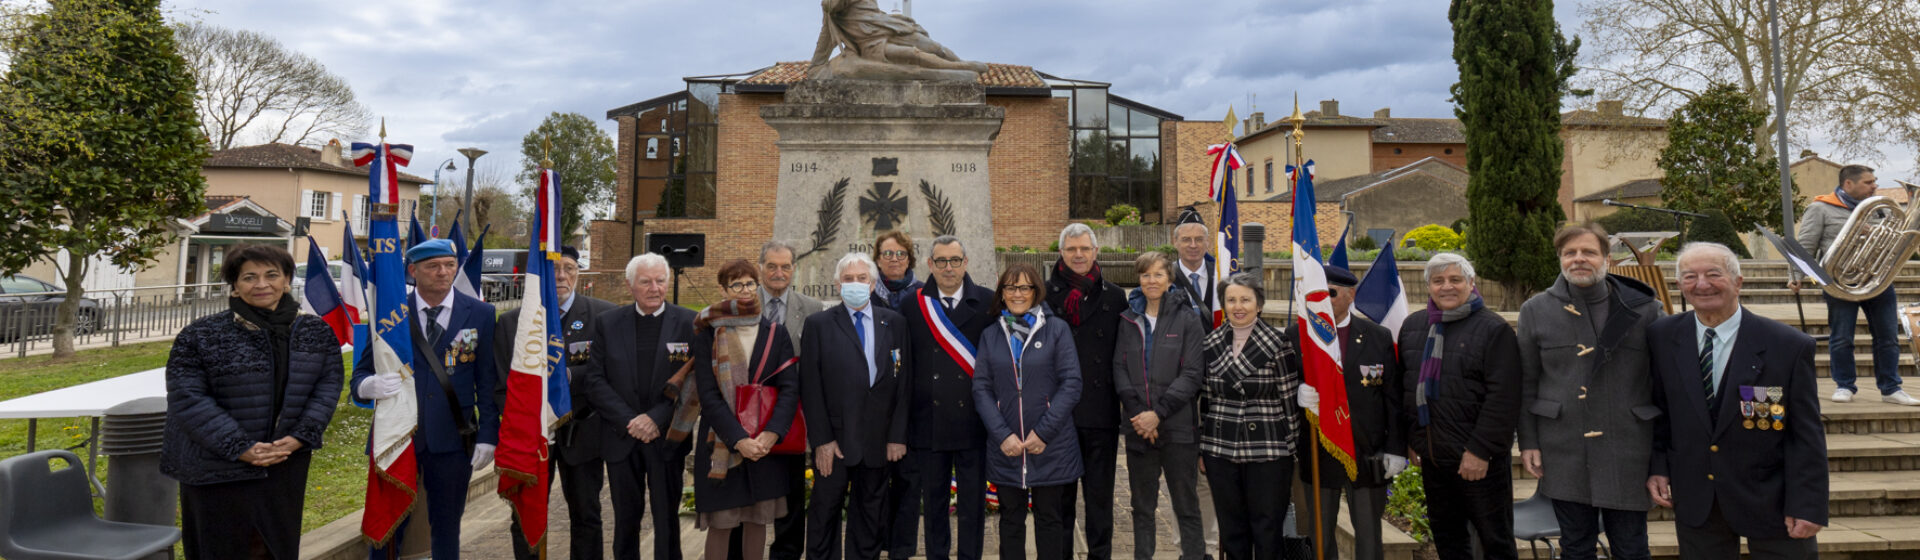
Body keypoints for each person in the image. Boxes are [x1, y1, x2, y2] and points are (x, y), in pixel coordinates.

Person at [1648, 242, 1827, 559]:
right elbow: (1659, 413)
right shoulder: (1661, 337)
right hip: (1698, 497)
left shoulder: (1788, 346)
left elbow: (1805, 433)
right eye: (1690, 277)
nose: (1702, 284)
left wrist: (1808, 504)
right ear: (1679, 285)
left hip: (1773, 497)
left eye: (1713, 274)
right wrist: (1658, 467)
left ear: (1738, 282)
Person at [162, 244, 341, 559]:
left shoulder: (315, 331)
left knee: (273, 550)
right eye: (249, 277)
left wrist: (301, 436)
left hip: (284, 464)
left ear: (286, 280)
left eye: (272, 275)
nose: (262, 284)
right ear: (234, 285)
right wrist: (239, 446)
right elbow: (187, 397)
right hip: (216, 468)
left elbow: (327, 386)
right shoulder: (201, 335)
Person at [1516, 224, 1664, 560]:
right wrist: (1528, 441)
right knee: (1575, 547)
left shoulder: (1645, 309)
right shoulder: (1535, 310)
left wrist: (1661, 455)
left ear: (1607, 259)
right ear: (1560, 259)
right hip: (1564, 446)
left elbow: (1662, 385)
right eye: (1570, 253)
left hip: (1627, 447)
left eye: (1588, 252)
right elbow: (1526, 382)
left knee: (1631, 547)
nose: (1578, 259)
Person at [352, 238, 499, 560]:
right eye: (433, 266)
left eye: (449, 265)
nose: (443, 272)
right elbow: (359, 375)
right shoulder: (390, 314)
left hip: (452, 438)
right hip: (397, 438)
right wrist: (368, 386)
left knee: (446, 527)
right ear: (412, 271)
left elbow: (487, 380)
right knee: (388, 526)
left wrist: (489, 435)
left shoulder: (481, 313)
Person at [494, 245, 620, 560]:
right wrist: (519, 424)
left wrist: (569, 377)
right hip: (529, 436)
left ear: (578, 273)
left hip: (583, 430)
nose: (561, 276)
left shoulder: (604, 315)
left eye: (569, 269)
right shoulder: (511, 323)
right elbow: (499, 383)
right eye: (553, 268)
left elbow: (612, 370)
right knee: (525, 514)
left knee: (586, 514)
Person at [1395, 253, 1520, 560]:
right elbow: (1407, 387)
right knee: (1448, 541)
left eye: (1455, 279)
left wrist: (1480, 451)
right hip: (1435, 460)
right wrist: (1414, 439)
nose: (1446, 287)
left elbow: (1504, 398)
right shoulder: (1413, 326)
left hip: (1479, 461)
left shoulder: (1494, 329)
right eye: (1438, 281)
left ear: (1471, 283)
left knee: (1495, 543)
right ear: (1428, 286)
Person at [577, 253, 697, 560]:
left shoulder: (689, 322)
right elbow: (595, 380)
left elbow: (693, 383)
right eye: (646, 282)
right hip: (622, 437)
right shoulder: (608, 323)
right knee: (625, 520)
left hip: (666, 437)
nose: (654, 288)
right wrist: (630, 421)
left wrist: (655, 418)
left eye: (660, 281)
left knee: (667, 520)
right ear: (630, 285)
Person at [1290, 265, 1406, 560]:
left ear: (1351, 295)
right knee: (1319, 536)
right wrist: (1297, 394)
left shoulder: (1377, 336)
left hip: (1366, 451)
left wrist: (1396, 449)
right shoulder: (1297, 336)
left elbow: (1392, 397)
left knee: (1369, 536)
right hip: (1319, 448)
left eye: (1329, 293)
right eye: (1315, 294)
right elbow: (1282, 390)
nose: (1322, 300)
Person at [802, 252, 912, 560]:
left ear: (873, 284)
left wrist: (897, 436)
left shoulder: (895, 323)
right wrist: (822, 440)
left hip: (878, 440)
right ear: (838, 285)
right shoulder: (819, 324)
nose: (855, 284)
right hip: (834, 442)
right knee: (824, 514)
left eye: (862, 278)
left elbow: (904, 383)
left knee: (870, 518)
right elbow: (810, 387)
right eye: (848, 279)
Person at [972, 262, 1085, 560]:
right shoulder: (990, 335)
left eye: (1024, 287)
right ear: (1002, 293)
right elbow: (981, 388)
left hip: (1050, 444)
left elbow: (1072, 383)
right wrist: (1002, 435)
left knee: (1050, 519)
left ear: (1036, 291)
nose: (1017, 294)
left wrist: (1043, 432)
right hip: (1007, 447)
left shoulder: (1056, 330)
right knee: (1010, 520)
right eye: (1010, 287)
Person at [691, 259, 802, 560]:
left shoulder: (776, 332)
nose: (744, 290)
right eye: (736, 284)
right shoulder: (708, 333)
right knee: (721, 523)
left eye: (750, 283)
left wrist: (771, 434)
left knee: (757, 520)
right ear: (723, 289)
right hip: (722, 443)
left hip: (764, 445)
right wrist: (738, 439)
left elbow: (788, 388)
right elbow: (708, 394)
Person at [898, 236, 996, 560]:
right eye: (941, 261)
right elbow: (903, 363)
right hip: (929, 423)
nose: (948, 268)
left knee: (972, 506)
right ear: (930, 265)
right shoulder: (912, 305)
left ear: (966, 263)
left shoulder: (988, 301)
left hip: (973, 422)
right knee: (934, 504)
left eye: (955, 260)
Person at [1790, 164, 1918, 405]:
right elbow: (1805, 245)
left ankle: (1891, 388)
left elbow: (1894, 240)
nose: (1874, 186)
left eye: (1874, 181)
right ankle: (1844, 386)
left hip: (1878, 280)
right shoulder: (1820, 208)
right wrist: (1796, 275)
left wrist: (1877, 234)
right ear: (1848, 184)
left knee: (1888, 337)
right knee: (1842, 338)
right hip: (1840, 283)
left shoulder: (1881, 209)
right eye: (1868, 182)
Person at [1113, 251, 1208, 560]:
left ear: (1170, 279)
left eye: (1158, 274)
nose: (1151, 281)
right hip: (1138, 429)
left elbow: (1192, 373)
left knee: (1186, 506)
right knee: (1142, 508)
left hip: (1178, 428)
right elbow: (1119, 369)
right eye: (1145, 275)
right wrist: (1139, 415)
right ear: (1138, 279)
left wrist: (1158, 414)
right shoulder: (1127, 319)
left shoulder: (1188, 318)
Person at [1200, 273, 1301, 560]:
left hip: (1269, 448)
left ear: (1259, 305)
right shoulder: (1210, 342)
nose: (1238, 306)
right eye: (1231, 300)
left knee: (1267, 528)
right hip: (1220, 447)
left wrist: (1292, 447)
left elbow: (1289, 400)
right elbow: (1205, 398)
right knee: (1232, 530)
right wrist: (1202, 448)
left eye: (1245, 299)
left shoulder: (1278, 342)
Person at [1045, 223, 1125, 560]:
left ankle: (1100, 554)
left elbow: (1123, 355)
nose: (1078, 255)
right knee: (1060, 498)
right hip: (1057, 413)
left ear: (1095, 252)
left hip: (1100, 410)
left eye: (1084, 249)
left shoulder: (1115, 296)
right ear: (1061, 252)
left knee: (1099, 497)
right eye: (1071, 249)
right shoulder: (1043, 294)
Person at [747, 240, 827, 560]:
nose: (778, 273)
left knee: (791, 491)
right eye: (771, 266)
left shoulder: (812, 309)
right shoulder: (742, 304)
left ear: (794, 268)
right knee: (746, 492)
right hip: (747, 413)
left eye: (785, 266)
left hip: (793, 416)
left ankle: (787, 553)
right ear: (760, 268)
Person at [870, 231, 924, 559]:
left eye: (900, 253)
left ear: (909, 258)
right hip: (875, 405)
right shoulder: (866, 295)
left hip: (912, 404)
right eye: (887, 254)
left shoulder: (923, 295)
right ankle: (875, 545)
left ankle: (902, 549)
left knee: (908, 482)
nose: (894, 259)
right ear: (877, 259)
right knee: (874, 482)